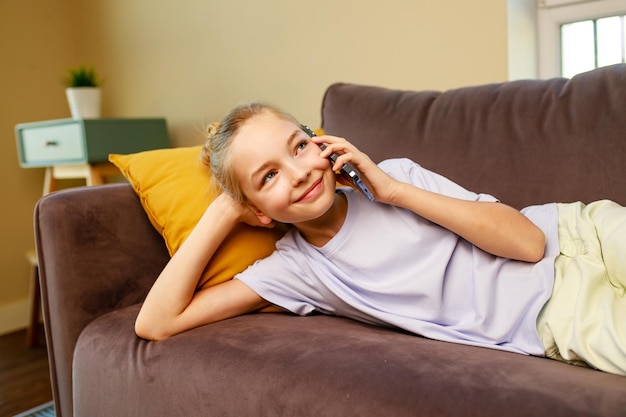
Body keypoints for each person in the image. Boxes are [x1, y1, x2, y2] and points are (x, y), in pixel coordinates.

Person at [135, 102, 626, 376]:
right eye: (268, 177)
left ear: (321, 143)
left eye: (299, 146)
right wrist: (224, 210)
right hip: (556, 316)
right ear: (257, 213)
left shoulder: (398, 177)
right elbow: (157, 322)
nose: (300, 172)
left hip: (583, 229)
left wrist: (394, 192)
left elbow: (528, 243)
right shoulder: (297, 271)